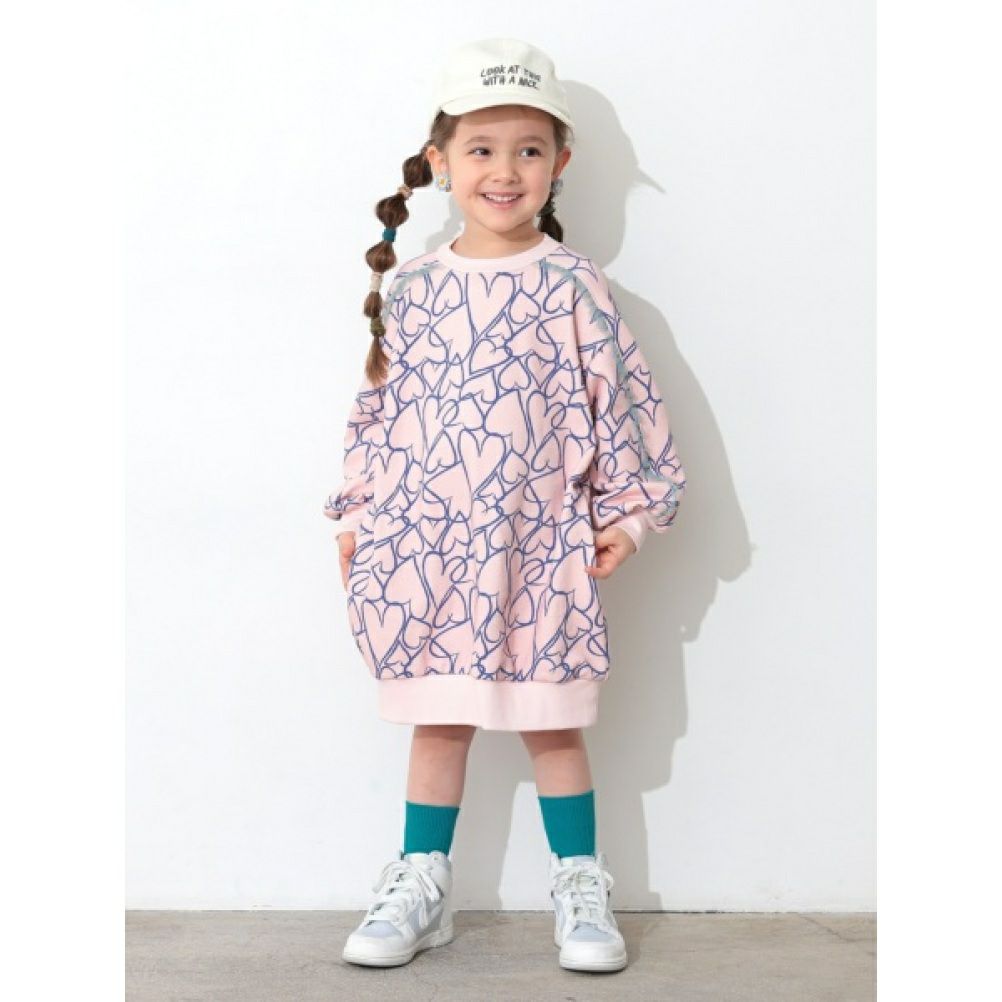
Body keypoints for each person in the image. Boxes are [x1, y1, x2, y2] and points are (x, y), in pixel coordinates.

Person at [323, 37, 687, 973]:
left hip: (538, 549)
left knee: (552, 722)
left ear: (560, 163)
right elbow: (380, 408)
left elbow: (626, 405)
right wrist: (358, 515)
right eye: (481, 148)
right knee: (437, 719)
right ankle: (421, 882)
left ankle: (579, 884)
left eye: (529, 149)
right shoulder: (413, 288)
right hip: (426, 553)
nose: (504, 170)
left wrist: (628, 520)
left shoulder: (573, 286)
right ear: (440, 160)